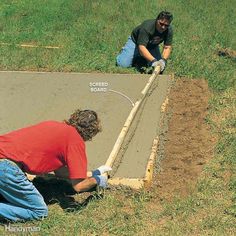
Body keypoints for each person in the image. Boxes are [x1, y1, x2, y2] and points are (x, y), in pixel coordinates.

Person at [0, 109, 112, 222]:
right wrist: (98, 180)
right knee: (39, 212)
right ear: (91, 133)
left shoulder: (52, 125)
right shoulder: (75, 141)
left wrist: (95, 172)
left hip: (3, 157)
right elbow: (78, 186)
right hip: (6, 168)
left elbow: (61, 173)